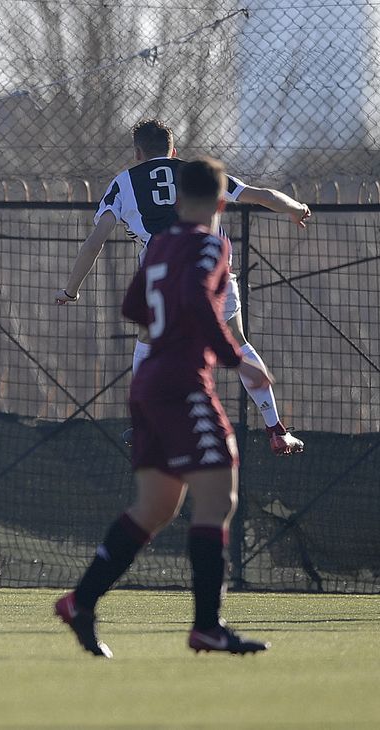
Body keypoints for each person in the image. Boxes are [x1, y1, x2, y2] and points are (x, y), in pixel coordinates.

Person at [54, 157, 272, 657]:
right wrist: (236, 360)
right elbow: (196, 297)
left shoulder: (159, 245)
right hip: (182, 384)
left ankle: (81, 601)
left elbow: (133, 307)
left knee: (156, 507)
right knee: (218, 497)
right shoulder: (210, 244)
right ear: (220, 203)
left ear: (177, 200)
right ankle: (207, 625)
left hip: (148, 384)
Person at [55, 118, 310, 455]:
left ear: (137, 153)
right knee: (237, 341)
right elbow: (259, 195)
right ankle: (276, 429)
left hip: (162, 272)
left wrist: (71, 289)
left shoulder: (123, 183)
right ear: (174, 150)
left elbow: (95, 242)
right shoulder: (198, 173)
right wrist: (295, 208)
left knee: (148, 339)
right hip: (210, 269)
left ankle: (145, 422)